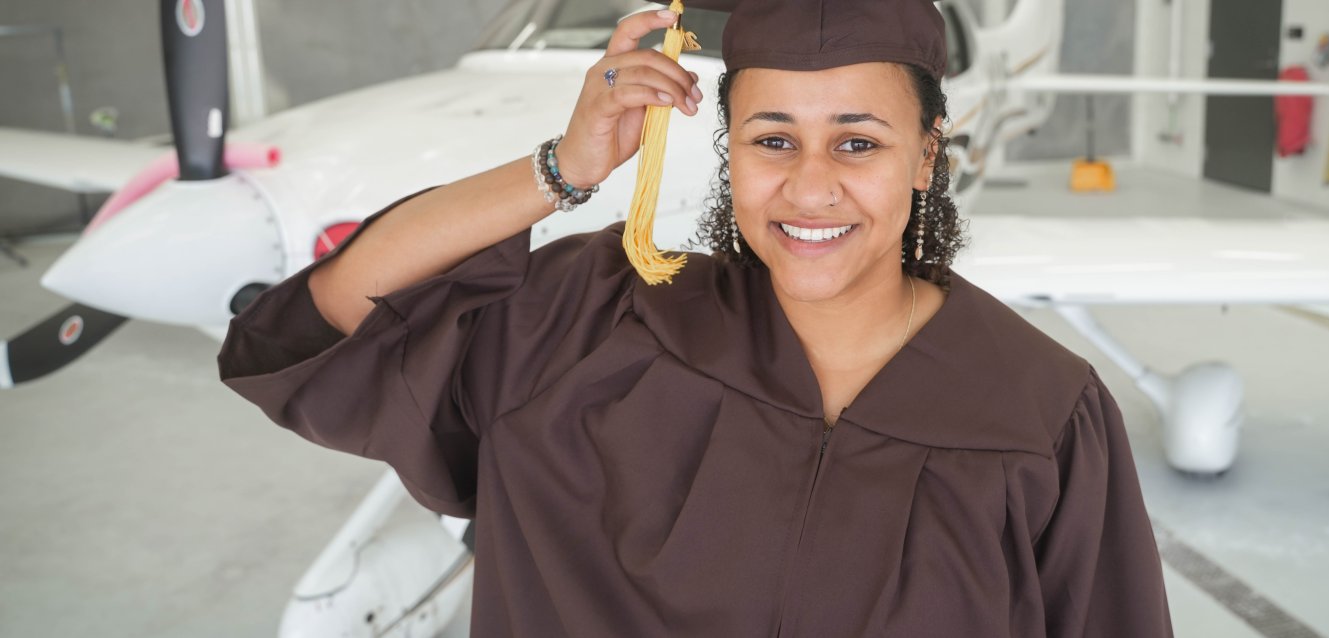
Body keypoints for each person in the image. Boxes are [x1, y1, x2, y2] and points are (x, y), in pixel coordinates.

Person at [217, 0, 1174, 635]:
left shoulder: (1041, 414)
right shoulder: (593, 320)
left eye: (858, 141)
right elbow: (321, 326)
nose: (810, 186)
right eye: (772, 139)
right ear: (729, 151)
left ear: (927, 155)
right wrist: (562, 169)